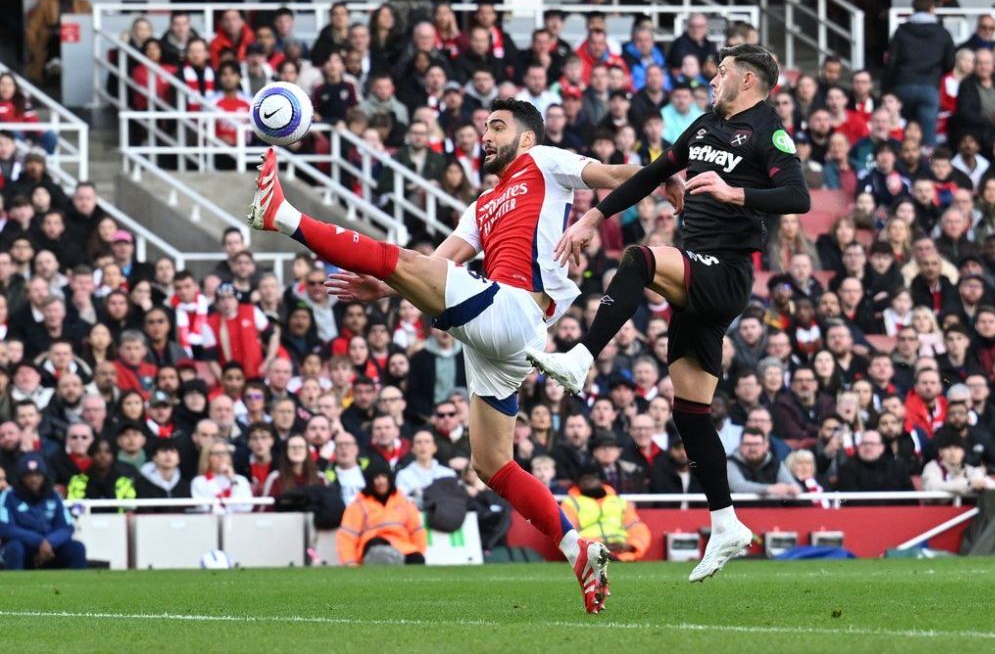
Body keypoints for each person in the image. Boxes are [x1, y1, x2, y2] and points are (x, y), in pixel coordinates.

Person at [249, 99, 679, 612]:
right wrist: (387, 285)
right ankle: (576, 547)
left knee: (400, 260)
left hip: (516, 310)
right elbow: (438, 262)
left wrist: (664, 176)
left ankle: (283, 215)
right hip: (500, 332)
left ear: (526, 138)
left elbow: (611, 174)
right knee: (491, 463)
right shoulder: (482, 205)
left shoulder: (543, 161)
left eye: (497, 126)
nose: (486, 136)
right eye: (484, 128)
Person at [527, 44, 810, 582]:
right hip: (698, 274)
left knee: (640, 258)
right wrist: (592, 219)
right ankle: (726, 524)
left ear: (748, 80)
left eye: (722, 72)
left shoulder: (768, 130)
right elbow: (652, 174)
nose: (713, 79)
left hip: (726, 271)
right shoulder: (703, 127)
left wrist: (733, 193)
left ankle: (581, 359)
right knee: (690, 413)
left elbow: (797, 197)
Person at [883, 0, 955, 148]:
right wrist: (936, 74)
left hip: (902, 86)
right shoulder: (942, 32)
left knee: (901, 133)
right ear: (932, 9)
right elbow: (950, 62)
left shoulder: (901, 31)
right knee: (928, 139)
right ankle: (929, 163)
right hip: (929, 87)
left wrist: (887, 88)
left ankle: (900, 160)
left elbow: (891, 62)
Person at [0, 453, 86, 570]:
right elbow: (6, 528)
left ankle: (76, 581)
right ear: (21, 477)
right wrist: (39, 541)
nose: (33, 479)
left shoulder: (54, 495)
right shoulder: (9, 496)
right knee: (14, 548)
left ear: (44, 476)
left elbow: (66, 527)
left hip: (51, 549)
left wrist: (50, 542)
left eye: (38, 475)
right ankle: (13, 581)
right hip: (24, 547)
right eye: (28, 475)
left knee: (77, 548)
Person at [336, 460, 426, 566]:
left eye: (384, 476)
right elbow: (347, 537)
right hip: (373, 545)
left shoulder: (404, 503)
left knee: (417, 559)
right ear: (370, 481)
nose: (381, 481)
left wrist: (418, 552)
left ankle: (395, 562)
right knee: (377, 547)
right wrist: (350, 563)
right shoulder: (359, 505)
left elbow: (417, 531)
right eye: (376, 477)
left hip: (402, 547)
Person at [560, 462, 651, 562]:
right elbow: (568, 535)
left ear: (601, 480)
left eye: (592, 477)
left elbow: (637, 528)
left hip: (622, 554)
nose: (588, 481)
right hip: (590, 556)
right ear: (578, 482)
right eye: (584, 478)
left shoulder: (619, 501)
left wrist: (631, 546)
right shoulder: (571, 503)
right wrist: (597, 546)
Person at [921, 430, 995, 495]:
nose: (952, 453)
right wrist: (967, 485)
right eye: (948, 448)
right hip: (937, 509)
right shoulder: (932, 467)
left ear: (963, 452)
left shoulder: (968, 469)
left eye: (956, 448)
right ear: (940, 452)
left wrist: (981, 484)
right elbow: (933, 487)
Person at [395, 429, 457, 508]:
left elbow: (455, 499)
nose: (423, 445)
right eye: (418, 442)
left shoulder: (448, 474)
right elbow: (401, 500)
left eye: (427, 442)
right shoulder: (403, 475)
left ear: (434, 447)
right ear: (412, 449)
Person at [189, 438, 253, 514]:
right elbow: (204, 508)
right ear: (207, 457)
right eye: (216, 453)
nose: (221, 456)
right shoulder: (199, 482)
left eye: (224, 453)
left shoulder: (241, 480)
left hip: (237, 520)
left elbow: (246, 507)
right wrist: (227, 511)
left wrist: (232, 480)